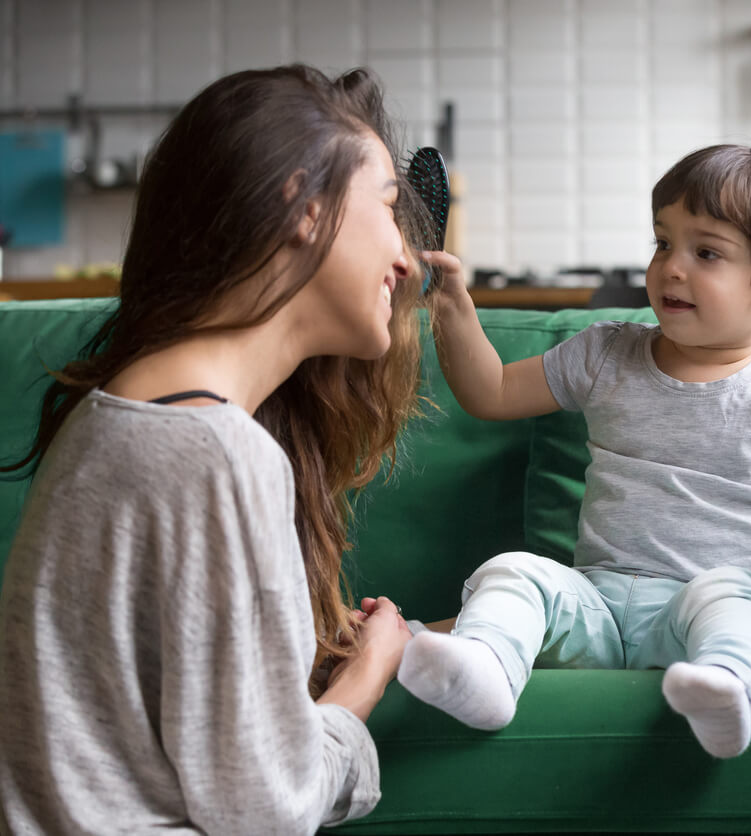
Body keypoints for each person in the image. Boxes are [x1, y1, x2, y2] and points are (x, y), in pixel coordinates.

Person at [0, 64, 429, 833]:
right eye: (390, 208)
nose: (407, 257)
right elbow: (267, 810)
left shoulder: (127, 411)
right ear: (306, 206)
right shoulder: (214, 451)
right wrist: (366, 678)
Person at [403, 144, 751, 758]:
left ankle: (724, 687)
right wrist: (451, 300)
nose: (672, 267)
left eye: (707, 252)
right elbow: (494, 391)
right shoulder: (605, 353)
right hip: (596, 611)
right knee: (516, 571)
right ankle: (483, 670)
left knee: (736, 600)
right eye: (663, 243)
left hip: (703, 615)